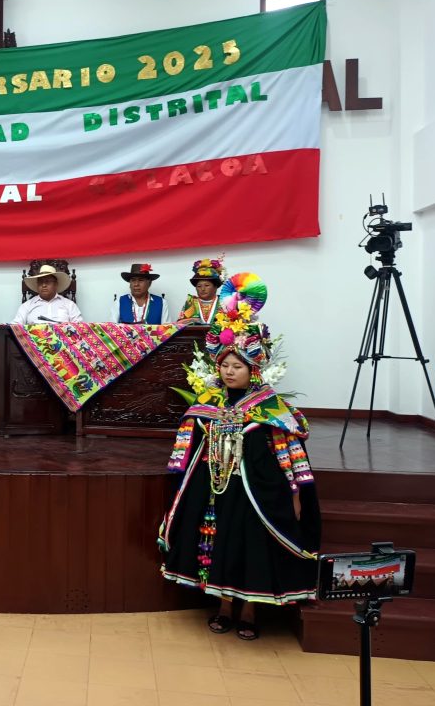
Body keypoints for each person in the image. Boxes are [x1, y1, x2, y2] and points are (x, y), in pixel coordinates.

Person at [159, 274, 319, 641]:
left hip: (256, 493)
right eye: (225, 366)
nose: (229, 372)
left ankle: (249, 609)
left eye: (237, 367)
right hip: (215, 490)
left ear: (253, 370)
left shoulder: (270, 408)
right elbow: (188, 448)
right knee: (217, 544)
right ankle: (224, 606)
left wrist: (296, 492)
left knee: (250, 546)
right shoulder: (209, 404)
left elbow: (291, 453)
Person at [12, 264, 83, 324]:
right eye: (40, 282)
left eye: (47, 281)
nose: (43, 285)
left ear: (56, 284)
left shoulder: (69, 305)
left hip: (62, 336)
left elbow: (80, 328)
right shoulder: (27, 306)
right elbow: (15, 327)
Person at [178, 258, 224, 324]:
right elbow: (179, 325)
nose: (202, 289)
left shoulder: (223, 302)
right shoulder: (191, 302)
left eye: (207, 285)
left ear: (215, 287)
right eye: (199, 286)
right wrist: (190, 320)